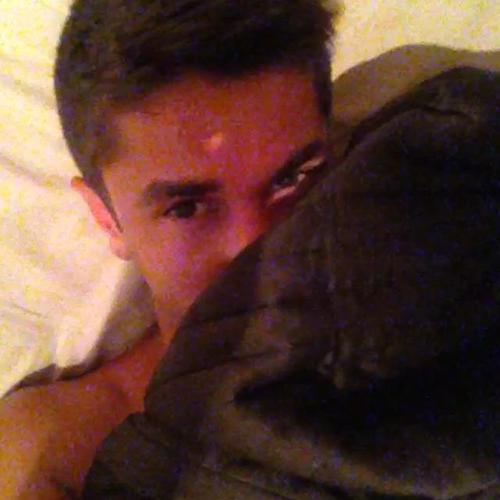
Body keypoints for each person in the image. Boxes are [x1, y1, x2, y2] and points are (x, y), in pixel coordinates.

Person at [0, 0, 338, 497]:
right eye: (186, 208)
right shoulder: (56, 451)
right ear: (106, 218)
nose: (257, 250)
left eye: (293, 178)